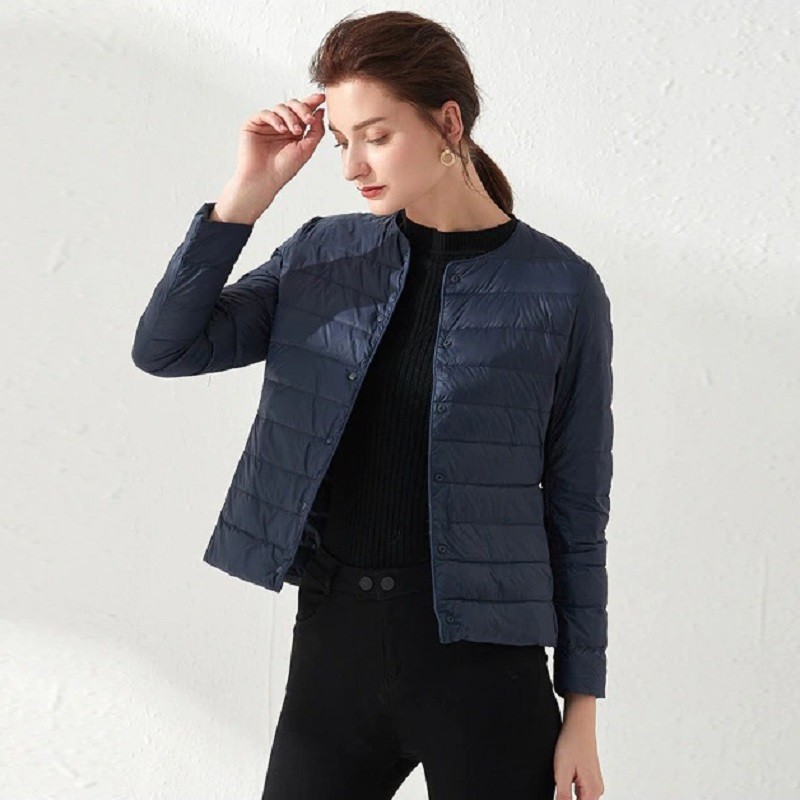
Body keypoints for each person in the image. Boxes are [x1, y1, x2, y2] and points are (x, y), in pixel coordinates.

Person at [132, 10, 612, 800]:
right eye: (340, 142)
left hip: (485, 668)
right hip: (335, 646)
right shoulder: (324, 255)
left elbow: (578, 511)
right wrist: (246, 195)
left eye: (377, 136)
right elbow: (167, 348)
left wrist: (582, 711)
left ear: (448, 122)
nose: (353, 165)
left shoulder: (560, 289)